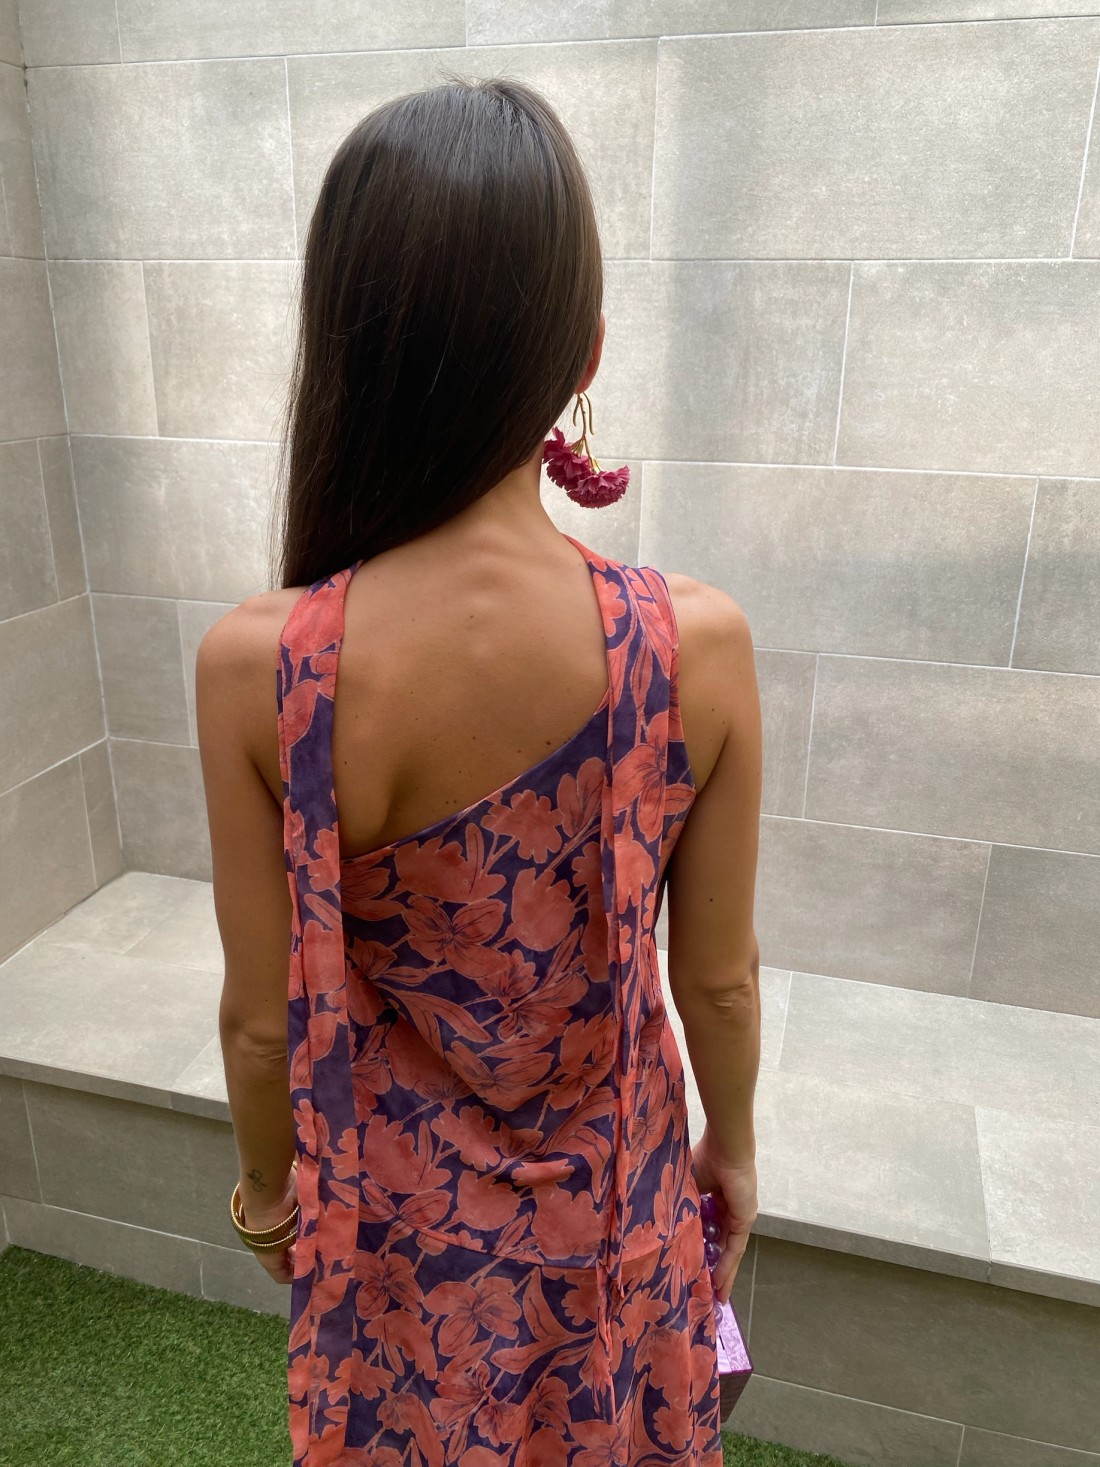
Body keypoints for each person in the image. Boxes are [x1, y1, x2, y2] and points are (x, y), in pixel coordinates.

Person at [196, 72, 761, 1467]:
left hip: (394, 1246)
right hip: (616, 1216)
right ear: (585, 351)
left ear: (345, 341)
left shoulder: (262, 666)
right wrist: (733, 1150)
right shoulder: (694, 647)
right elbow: (717, 982)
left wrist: (268, 1201)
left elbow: (261, 1027)